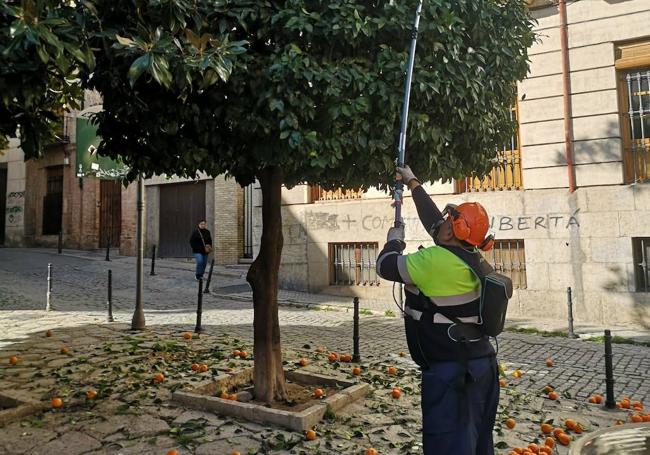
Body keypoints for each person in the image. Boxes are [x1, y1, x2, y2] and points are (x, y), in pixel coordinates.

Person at [376, 165, 499, 455]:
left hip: (453, 374)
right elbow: (433, 221)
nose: (441, 221)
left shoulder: (433, 261)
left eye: (448, 220)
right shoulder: (470, 254)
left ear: (450, 233)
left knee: (449, 446)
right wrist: (411, 182)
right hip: (482, 367)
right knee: (478, 445)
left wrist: (394, 239)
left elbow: (385, 266)